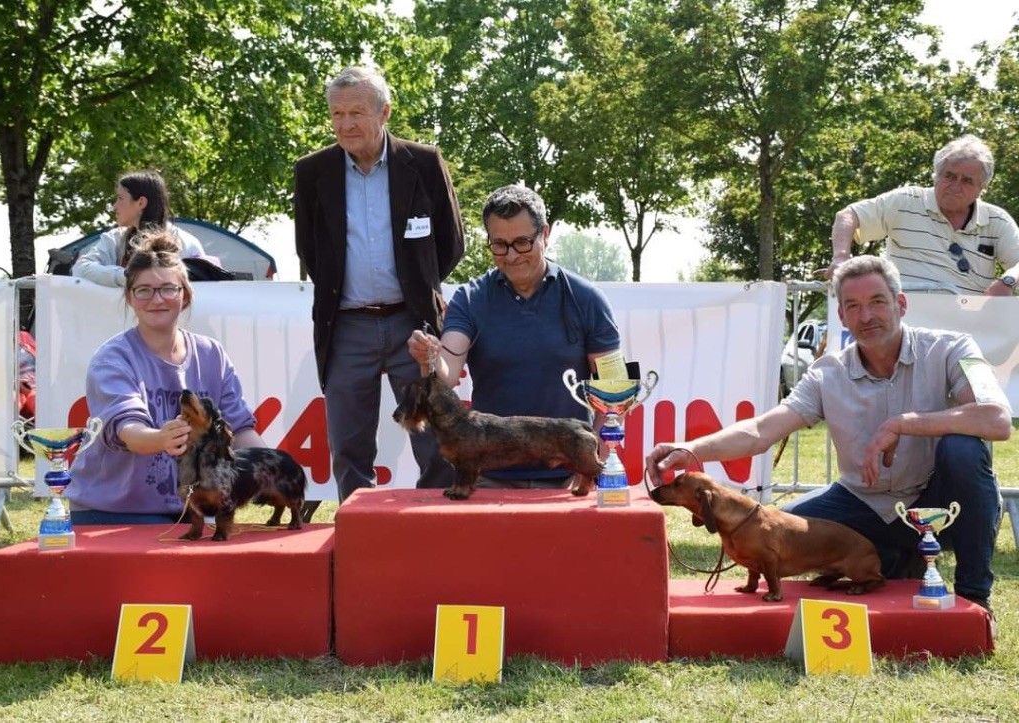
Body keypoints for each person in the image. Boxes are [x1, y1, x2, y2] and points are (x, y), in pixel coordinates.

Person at [647, 255, 1012, 611]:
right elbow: (760, 431)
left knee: (962, 448)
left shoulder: (955, 347)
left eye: (877, 302)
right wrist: (690, 449)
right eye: (852, 306)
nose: (866, 316)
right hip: (861, 501)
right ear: (841, 316)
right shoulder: (826, 373)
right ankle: (894, 557)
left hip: (936, 499)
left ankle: (974, 597)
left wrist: (903, 423)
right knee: (779, 528)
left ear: (901, 303)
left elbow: (996, 419)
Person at [294, 66, 464, 503]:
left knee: (438, 441)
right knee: (348, 446)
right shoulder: (312, 172)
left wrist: (416, 286)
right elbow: (309, 249)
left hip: (416, 325)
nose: (346, 124)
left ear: (384, 112)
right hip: (346, 326)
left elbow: (451, 242)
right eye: (337, 114)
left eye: (356, 113)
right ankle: (358, 533)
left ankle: (437, 527)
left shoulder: (423, 163)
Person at [408, 184, 621, 489]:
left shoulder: (588, 299)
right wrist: (428, 358)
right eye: (499, 245)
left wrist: (591, 465)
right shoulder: (470, 299)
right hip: (489, 480)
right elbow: (446, 375)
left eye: (523, 243)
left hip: (565, 479)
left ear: (545, 234)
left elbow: (613, 391)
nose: (511, 256)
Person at [67, 232, 266, 524]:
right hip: (111, 511)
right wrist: (161, 438)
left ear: (185, 295)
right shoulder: (112, 359)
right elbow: (128, 430)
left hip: (188, 509)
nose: (156, 299)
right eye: (144, 290)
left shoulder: (211, 353)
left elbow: (239, 428)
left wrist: (275, 467)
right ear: (130, 298)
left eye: (168, 289)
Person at [828, 135, 1019, 295]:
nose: (955, 186)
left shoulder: (997, 221)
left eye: (967, 181)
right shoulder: (906, 200)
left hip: (969, 328)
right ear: (936, 176)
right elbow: (848, 215)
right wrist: (840, 258)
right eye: (949, 176)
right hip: (905, 324)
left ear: (981, 188)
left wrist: (1007, 281)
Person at [73, 170, 204, 287]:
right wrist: (127, 276)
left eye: (120, 198)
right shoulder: (115, 238)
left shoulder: (186, 243)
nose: (114, 206)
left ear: (141, 203)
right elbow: (80, 268)